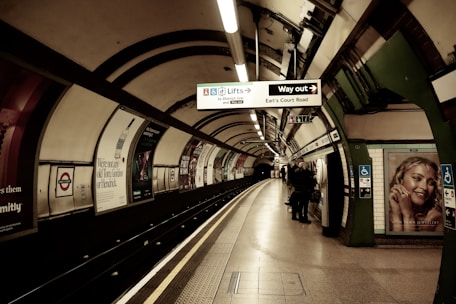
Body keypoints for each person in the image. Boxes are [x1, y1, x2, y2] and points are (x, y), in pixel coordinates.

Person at [388, 156, 443, 232]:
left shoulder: (436, 218)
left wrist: (408, 215)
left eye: (431, 183)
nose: (424, 187)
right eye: (417, 178)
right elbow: (397, 242)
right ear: (400, 179)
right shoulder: (387, 216)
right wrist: (396, 215)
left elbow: (409, 243)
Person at [288, 158, 316, 223]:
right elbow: (309, 181)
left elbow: (293, 180)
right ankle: (304, 218)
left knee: (300, 205)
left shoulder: (296, 172)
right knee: (305, 205)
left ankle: (299, 217)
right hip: (304, 192)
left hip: (297, 191)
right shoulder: (306, 173)